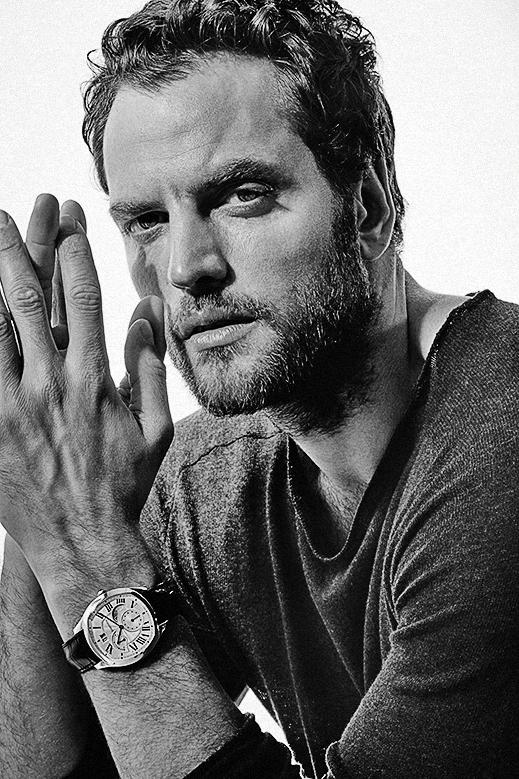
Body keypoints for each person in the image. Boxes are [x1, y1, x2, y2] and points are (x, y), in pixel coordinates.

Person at [0, 0, 518, 776]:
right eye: (146, 220)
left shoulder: (500, 440)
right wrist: (45, 488)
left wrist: (88, 548)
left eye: (240, 194)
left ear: (368, 207)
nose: (186, 267)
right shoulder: (208, 481)